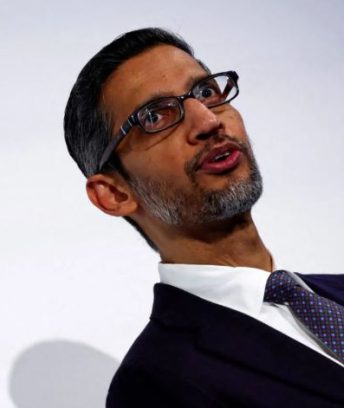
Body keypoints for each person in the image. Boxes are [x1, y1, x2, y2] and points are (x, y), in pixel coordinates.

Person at [64, 27, 344, 407]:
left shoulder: (335, 291)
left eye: (206, 92)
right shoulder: (153, 385)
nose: (208, 121)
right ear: (114, 194)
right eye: (155, 115)